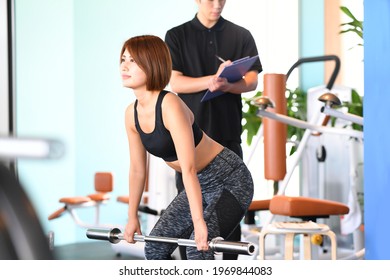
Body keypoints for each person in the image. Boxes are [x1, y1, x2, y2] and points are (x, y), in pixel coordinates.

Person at [120, 35, 254, 260]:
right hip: (199, 183)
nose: (124, 65)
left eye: (133, 60)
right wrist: (132, 216)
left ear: (152, 63)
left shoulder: (170, 105)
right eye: (123, 59)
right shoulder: (130, 114)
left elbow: (188, 168)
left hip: (231, 180)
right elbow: (137, 170)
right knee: (154, 247)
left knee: (197, 248)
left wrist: (199, 223)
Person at [165, 0, 262, 259]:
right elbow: (175, 82)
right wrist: (210, 81)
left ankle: (230, 269)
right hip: (191, 140)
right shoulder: (177, 35)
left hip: (228, 137)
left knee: (231, 213)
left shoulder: (241, 35)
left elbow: (251, 81)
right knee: (188, 213)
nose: (217, 4)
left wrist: (227, 85)